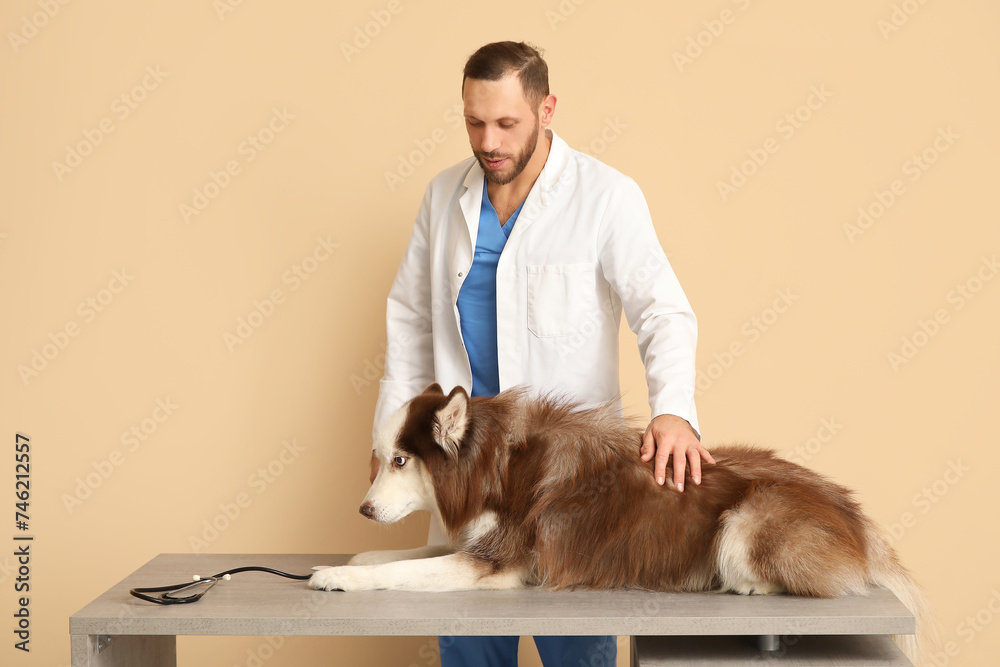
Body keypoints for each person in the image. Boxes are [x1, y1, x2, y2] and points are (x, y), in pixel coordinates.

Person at [369, 41, 714, 667]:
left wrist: (675, 411)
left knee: (576, 641)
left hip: (565, 475)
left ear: (547, 108)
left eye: (507, 123)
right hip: (463, 469)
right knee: (470, 641)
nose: (489, 141)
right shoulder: (443, 197)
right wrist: (387, 445)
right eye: (475, 122)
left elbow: (661, 309)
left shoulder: (606, 196)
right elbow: (411, 322)